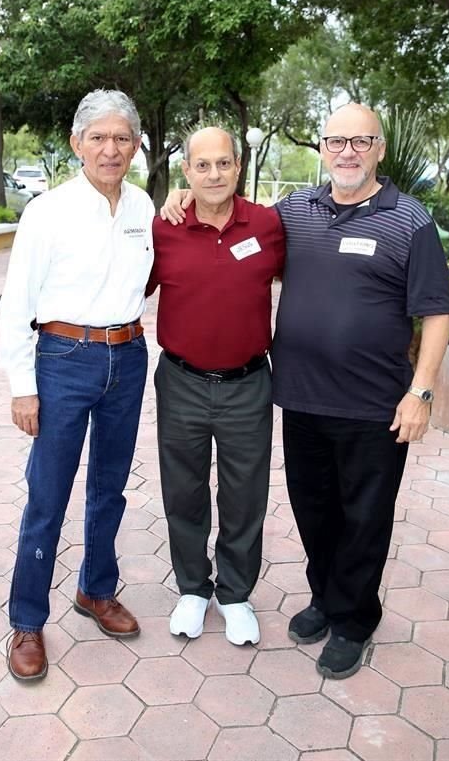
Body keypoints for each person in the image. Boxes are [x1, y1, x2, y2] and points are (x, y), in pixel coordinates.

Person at [162, 102, 449, 678]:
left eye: (361, 142)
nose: (348, 151)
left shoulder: (409, 220)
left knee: (365, 515)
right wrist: (182, 199)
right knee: (313, 508)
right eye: (337, 141)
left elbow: (437, 311)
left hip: (374, 404)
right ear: (321, 148)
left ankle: (354, 620)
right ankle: (324, 598)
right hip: (299, 397)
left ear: (380, 149)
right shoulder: (293, 213)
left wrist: (419, 393)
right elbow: (226, 231)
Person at [0, 89, 154, 682]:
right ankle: (28, 620)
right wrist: (22, 384)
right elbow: (16, 304)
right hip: (62, 359)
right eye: (98, 138)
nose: (110, 149)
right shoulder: (48, 211)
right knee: (48, 495)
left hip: (127, 357)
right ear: (76, 143)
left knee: (109, 487)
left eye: (121, 138)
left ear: (136, 146)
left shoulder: (142, 207)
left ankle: (96, 589)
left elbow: (151, 275)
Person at [148, 127, 285, 645]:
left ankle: (235, 594)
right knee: (182, 488)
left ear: (238, 167)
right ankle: (192, 587)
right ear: (186, 171)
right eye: (201, 166)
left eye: (222, 164)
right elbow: (121, 281)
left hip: (248, 384)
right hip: (180, 381)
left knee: (245, 493)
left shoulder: (269, 225)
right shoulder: (165, 227)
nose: (213, 174)